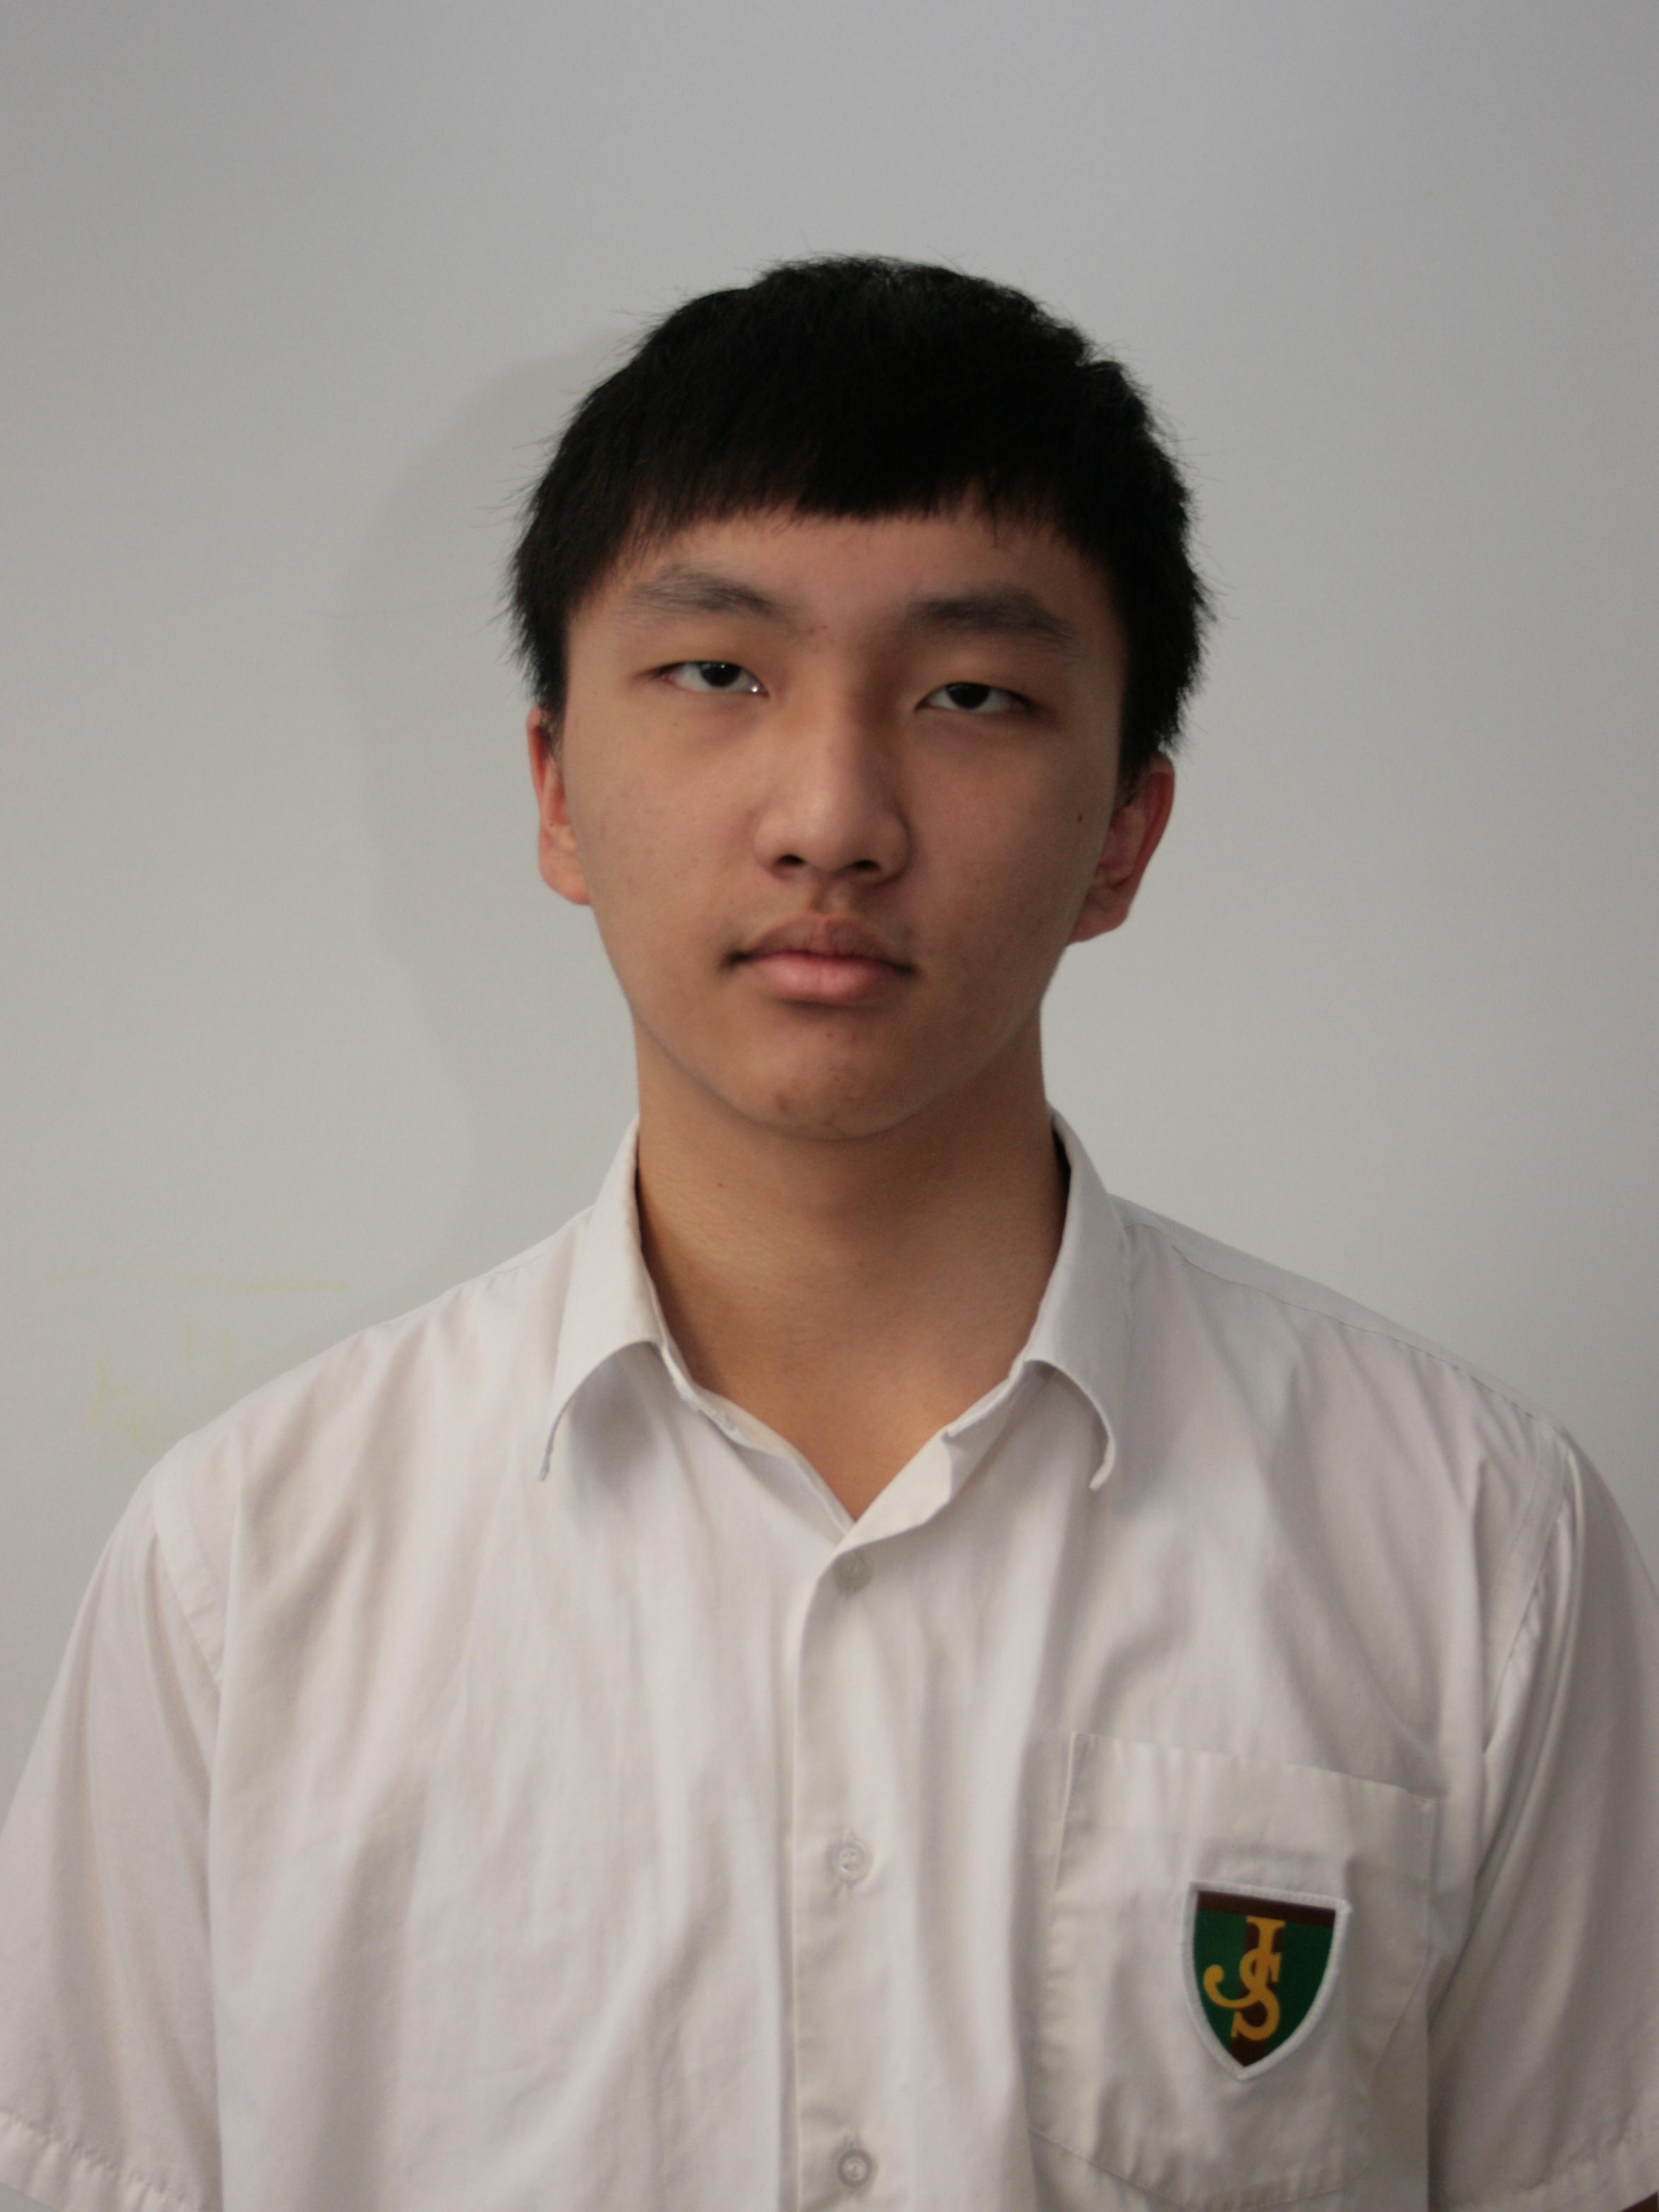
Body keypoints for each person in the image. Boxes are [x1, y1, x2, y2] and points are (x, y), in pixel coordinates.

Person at [1, 255, 1655, 2212]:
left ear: (1125, 832)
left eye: (971, 695)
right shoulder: (246, 1576)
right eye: (719, 673)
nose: (832, 816)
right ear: (555, 790)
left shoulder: (1471, 1538)